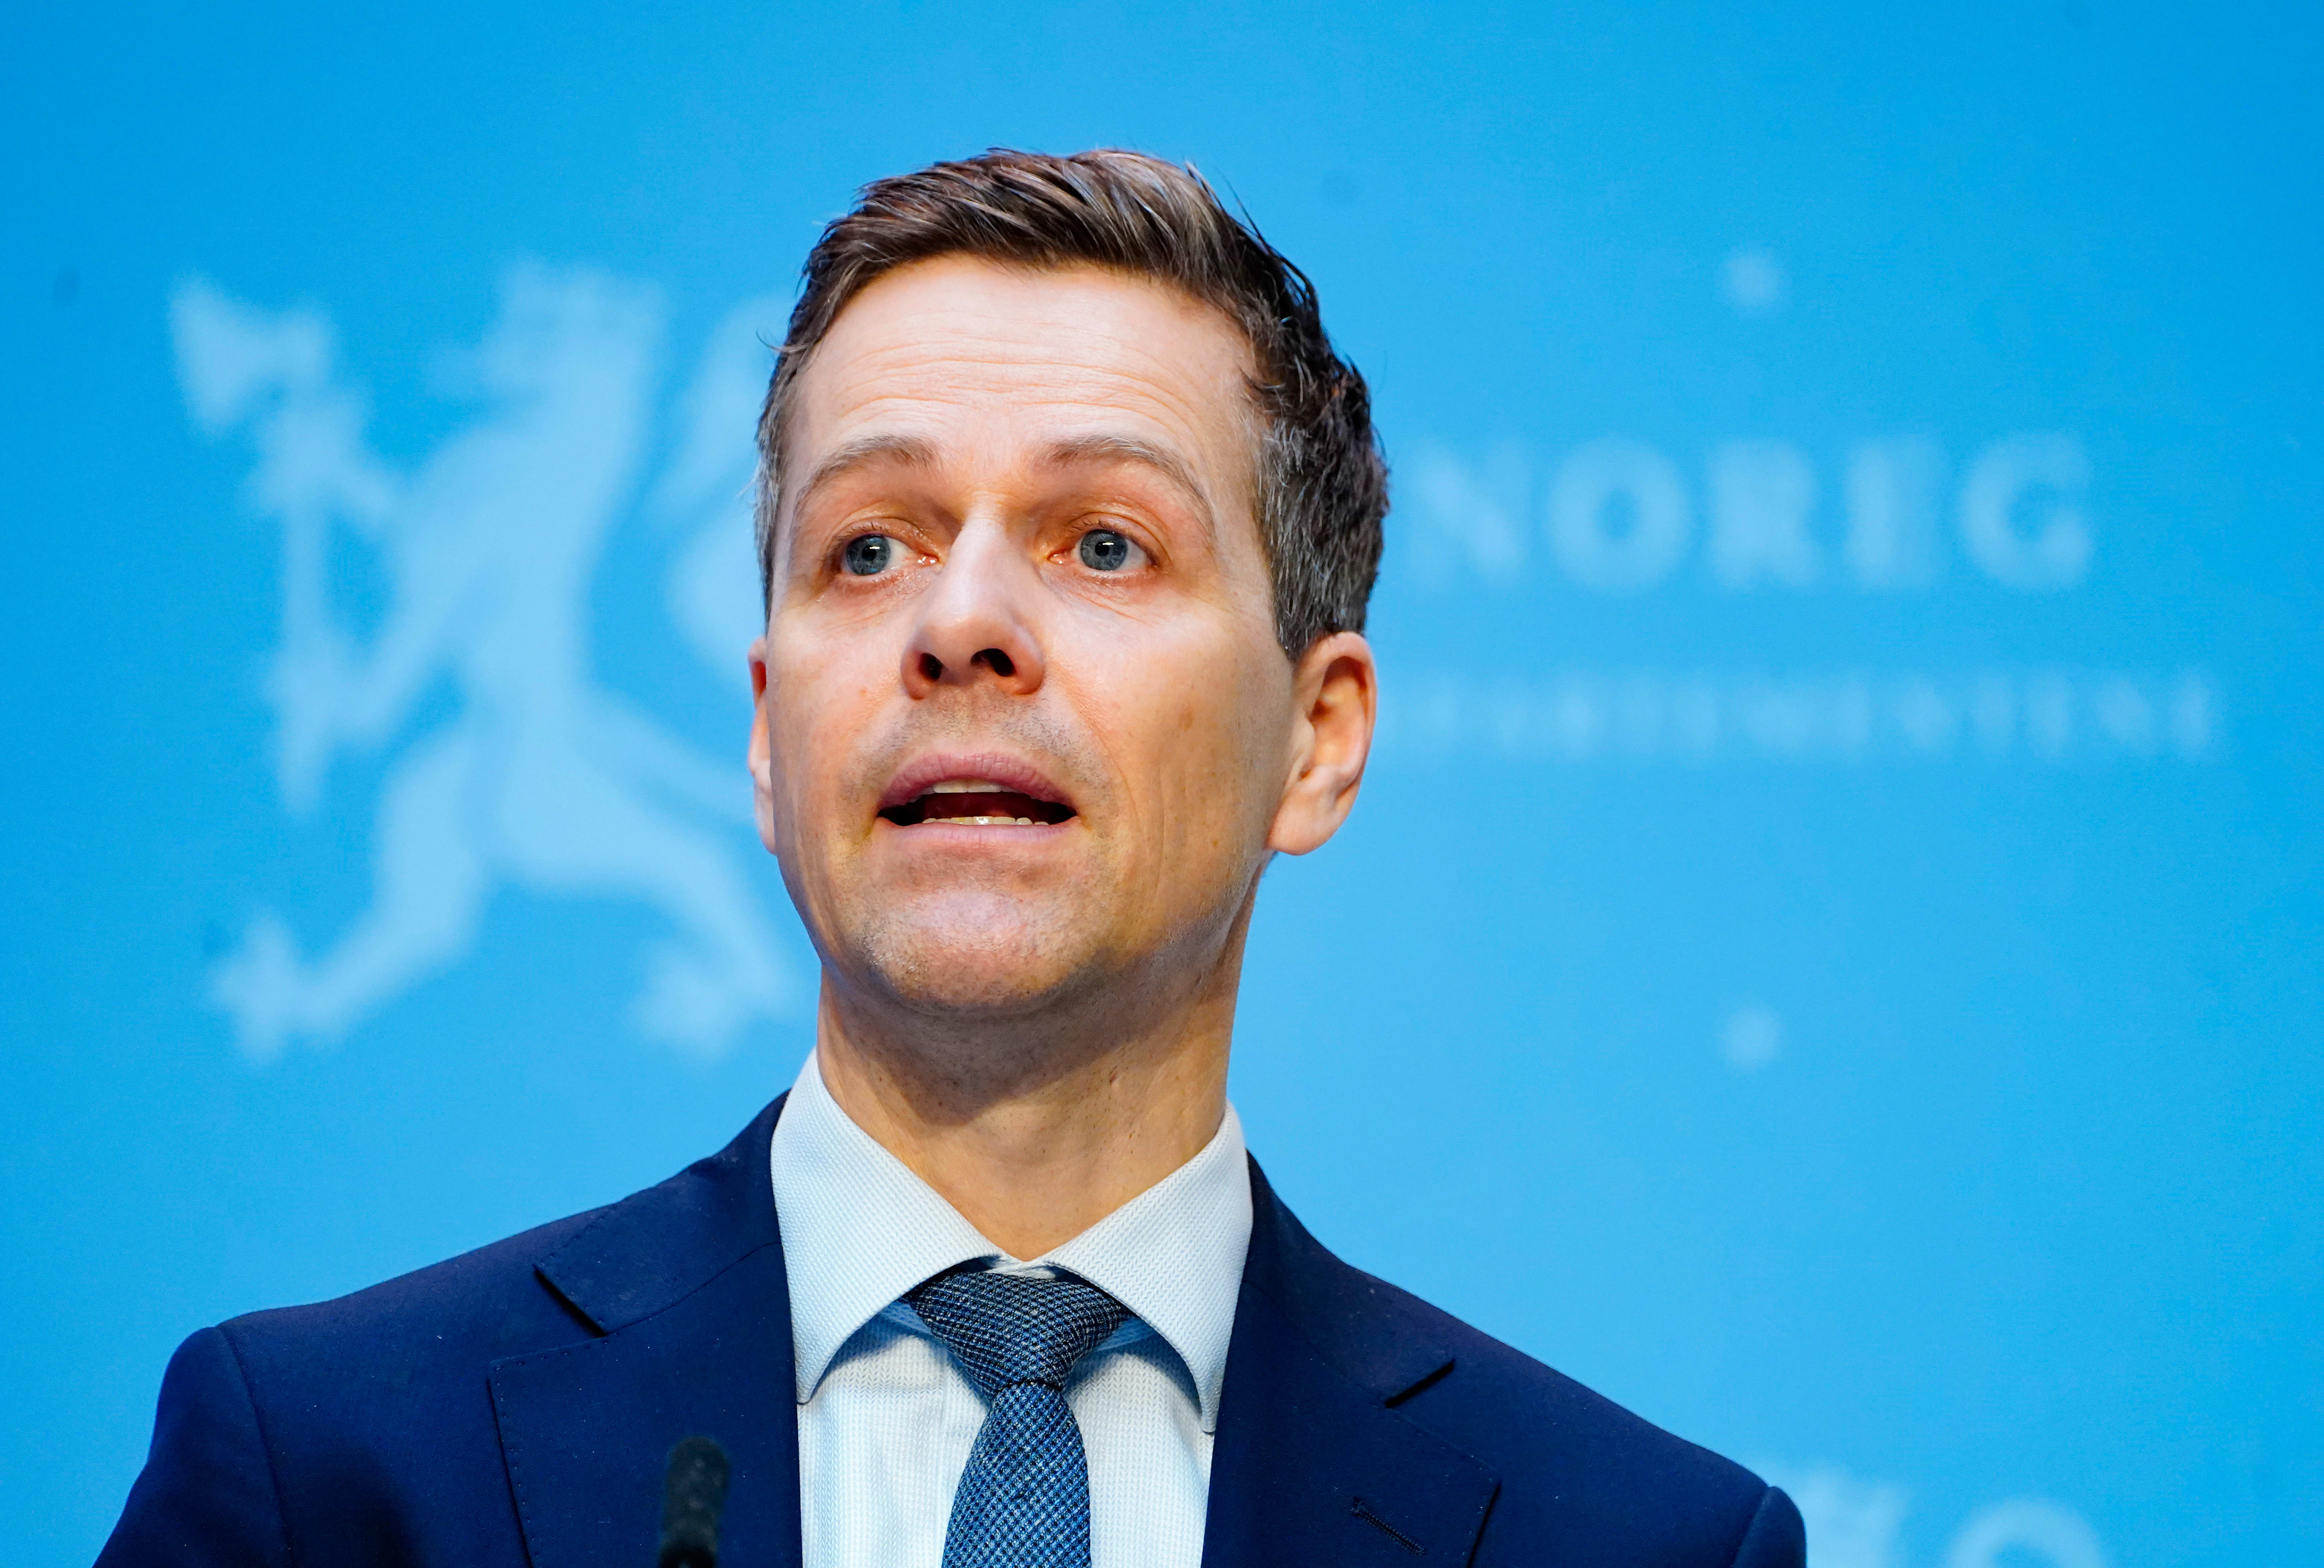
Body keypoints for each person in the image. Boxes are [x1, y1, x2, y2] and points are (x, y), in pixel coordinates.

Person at [99, 149, 1804, 1568]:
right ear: (769, 736)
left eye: (1105, 543)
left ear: (1318, 736)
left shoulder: (1640, 1542)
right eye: (868, 549)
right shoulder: (332, 1475)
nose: (961, 621)